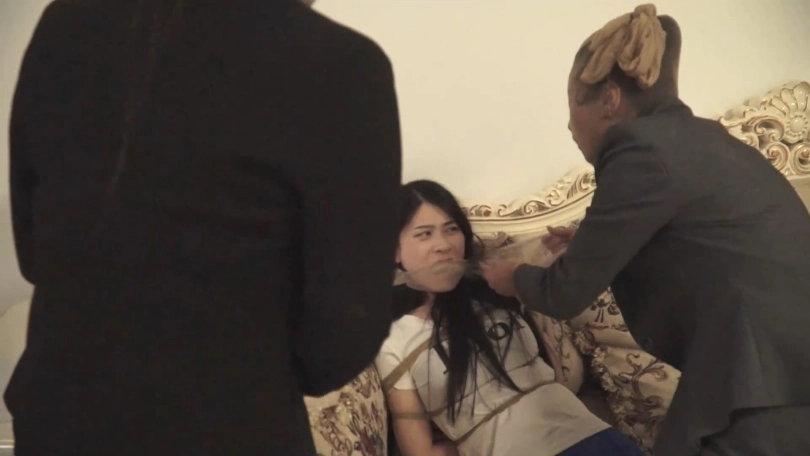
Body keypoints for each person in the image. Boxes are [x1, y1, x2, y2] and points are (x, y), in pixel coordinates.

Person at [5, 0, 401, 454]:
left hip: (61, 419)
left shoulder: (67, 24)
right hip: (226, 425)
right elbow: (344, 331)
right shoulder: (341, 63)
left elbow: (34, 249)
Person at [482, 4, 810, 456]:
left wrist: (513, 275)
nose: (569, 124)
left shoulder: (638, 151)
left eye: (574, 102)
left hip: (765, 378)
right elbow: (699, 247)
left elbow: (564, 293)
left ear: (610, 100)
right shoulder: (704, 140)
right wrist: (596, 247)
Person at [376, 180, 644, 456]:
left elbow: (554, 374)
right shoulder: (393, 340)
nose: (443, 245)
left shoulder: (498, 290)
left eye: (451, 229)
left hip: (596, 439)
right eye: (424, 234)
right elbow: (420, 451)